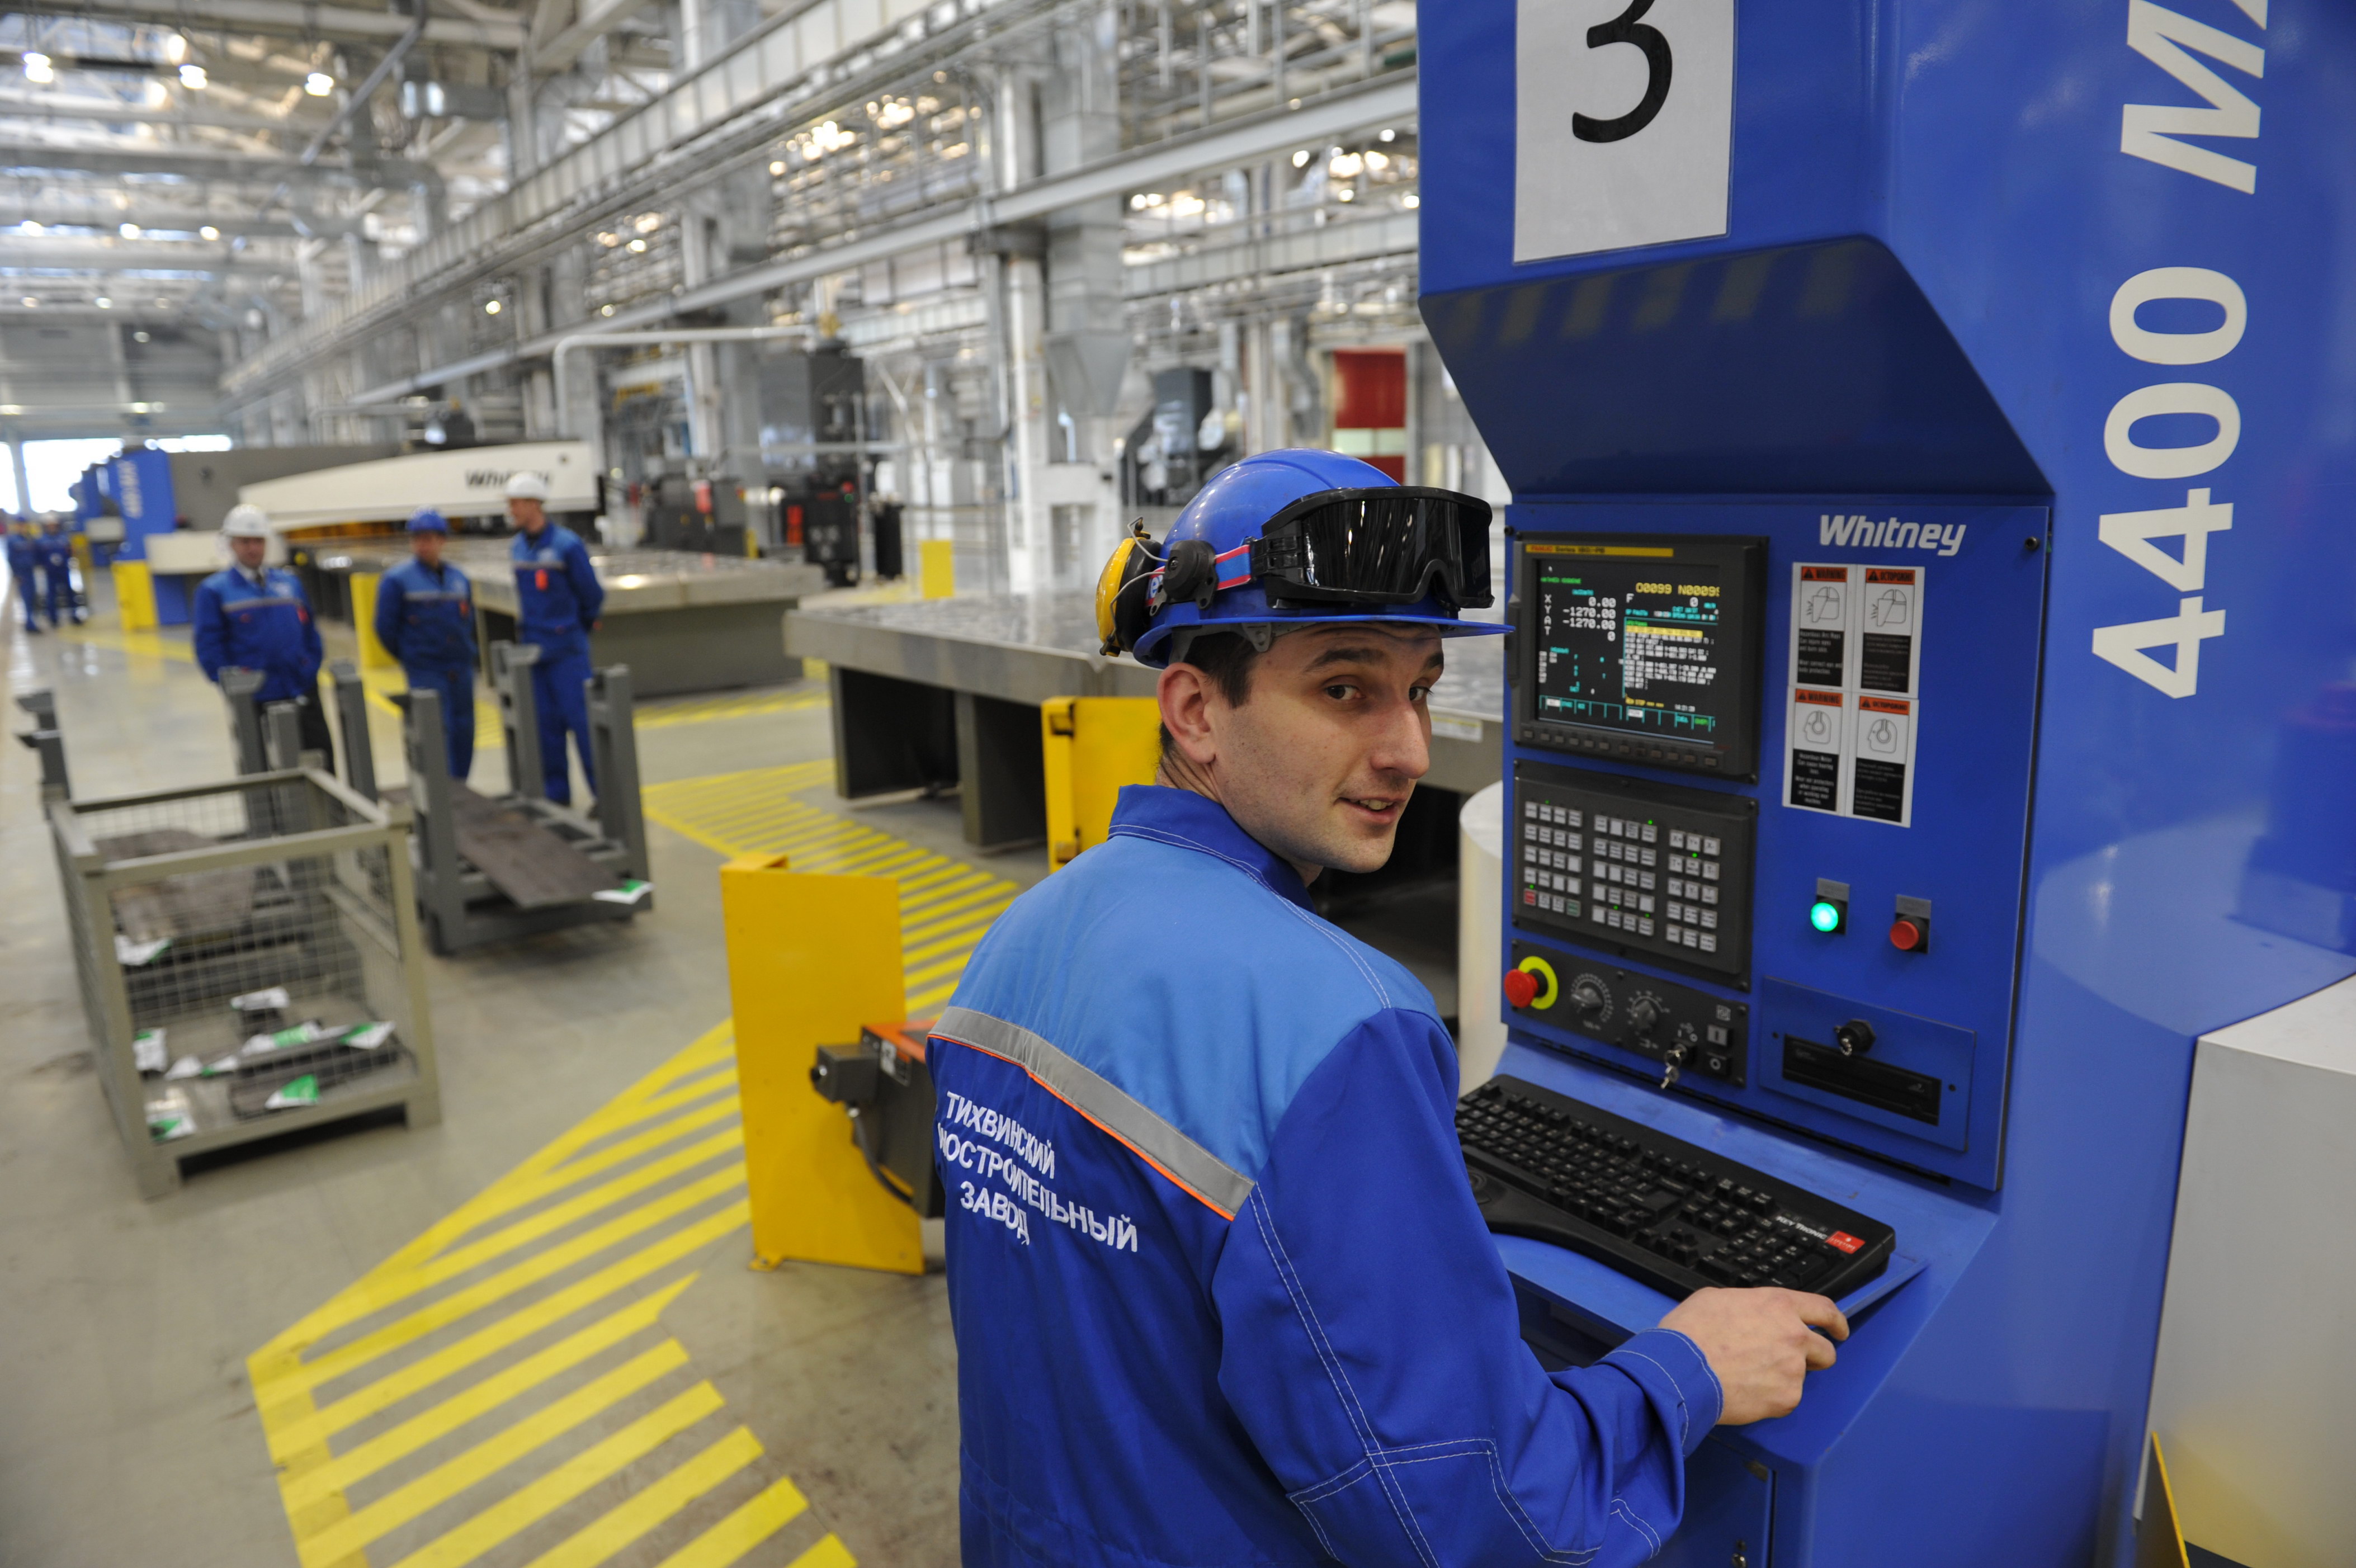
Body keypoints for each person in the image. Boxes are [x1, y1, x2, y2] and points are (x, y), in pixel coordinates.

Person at [927, 450, 1848, 1568]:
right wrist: (1684, 1367)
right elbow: (1472, 1514)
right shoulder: (1342, 1025)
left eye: (1418, 688)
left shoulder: (1015, 941)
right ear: (1196, 708)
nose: (1408, 750)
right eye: (1343, 689)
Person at [193, 504, 331, 759]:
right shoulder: (214, 591)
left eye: (258, 541)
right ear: (232, 544)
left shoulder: (289, 583)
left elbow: (310, 631)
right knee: (260, 765)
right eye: (245, 541)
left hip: (300, 688)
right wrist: (236, 687)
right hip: (253, 699)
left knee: (320, 757)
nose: (253, 548)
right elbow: (209, 647)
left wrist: (309, 669)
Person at [505, 470, 603, 805]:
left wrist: (572, 630)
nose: (511, 510)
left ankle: (605, 799)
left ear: (534, 504)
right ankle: (557, 800)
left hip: (567, 654)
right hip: (535, 652)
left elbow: (592, 595)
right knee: (546, 730)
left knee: (583, 725)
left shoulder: (566, 545)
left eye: (516, 503)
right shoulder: (518, 548)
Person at [374, 508, 477, 781]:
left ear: (442, 541)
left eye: (429, 538)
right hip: (426, 670)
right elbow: (384, 628)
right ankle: (442, 794)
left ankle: (461, 788)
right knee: (435, 734)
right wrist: (412, 656)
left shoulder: (458, 578)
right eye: (417, 538)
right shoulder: (397, 580)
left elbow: (469, 619)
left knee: (464, 730)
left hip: (460, 668)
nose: (423, 544)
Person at [35, 517, 79, 627]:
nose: (52, 528)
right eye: (50, 526)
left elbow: (70, 552)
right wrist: (43, 566)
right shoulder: (41, 540)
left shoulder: (64, 538)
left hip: (63, 570)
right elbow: (38, 556)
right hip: (51, 572)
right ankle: (53, 618)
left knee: (69, 593)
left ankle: (74, 615)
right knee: (51, 594)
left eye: (54, 525)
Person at [6, 520, 41, 634]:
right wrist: (16, 574)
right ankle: (30, 624)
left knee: (32, 598)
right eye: (20, 525)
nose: (23, 527)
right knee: (26, 597)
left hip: (30, 572)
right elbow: (11, 559)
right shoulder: (12, 540)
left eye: (24, 525)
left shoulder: (30, 539)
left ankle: (32, 621)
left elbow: (36, 555)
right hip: (22, 574)